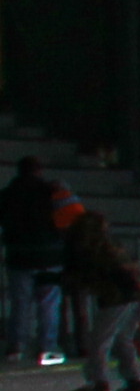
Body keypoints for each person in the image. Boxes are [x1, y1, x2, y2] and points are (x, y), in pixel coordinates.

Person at [58, 200, 140, 391]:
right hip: (132, 295)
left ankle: (98, 382)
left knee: (99, 340)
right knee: (122, 340)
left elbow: (85, 275)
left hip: (116, 297)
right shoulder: (110, 246)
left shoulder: (91, 249)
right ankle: (134, 381)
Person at [2, 157, 59, 369]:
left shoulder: (7, 195)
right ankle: (47, 347)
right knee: (48, 304)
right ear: (40, 170)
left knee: (20, 304)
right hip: (49, 256)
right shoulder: (51, 192)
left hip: (19, 257)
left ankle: (17, 346)